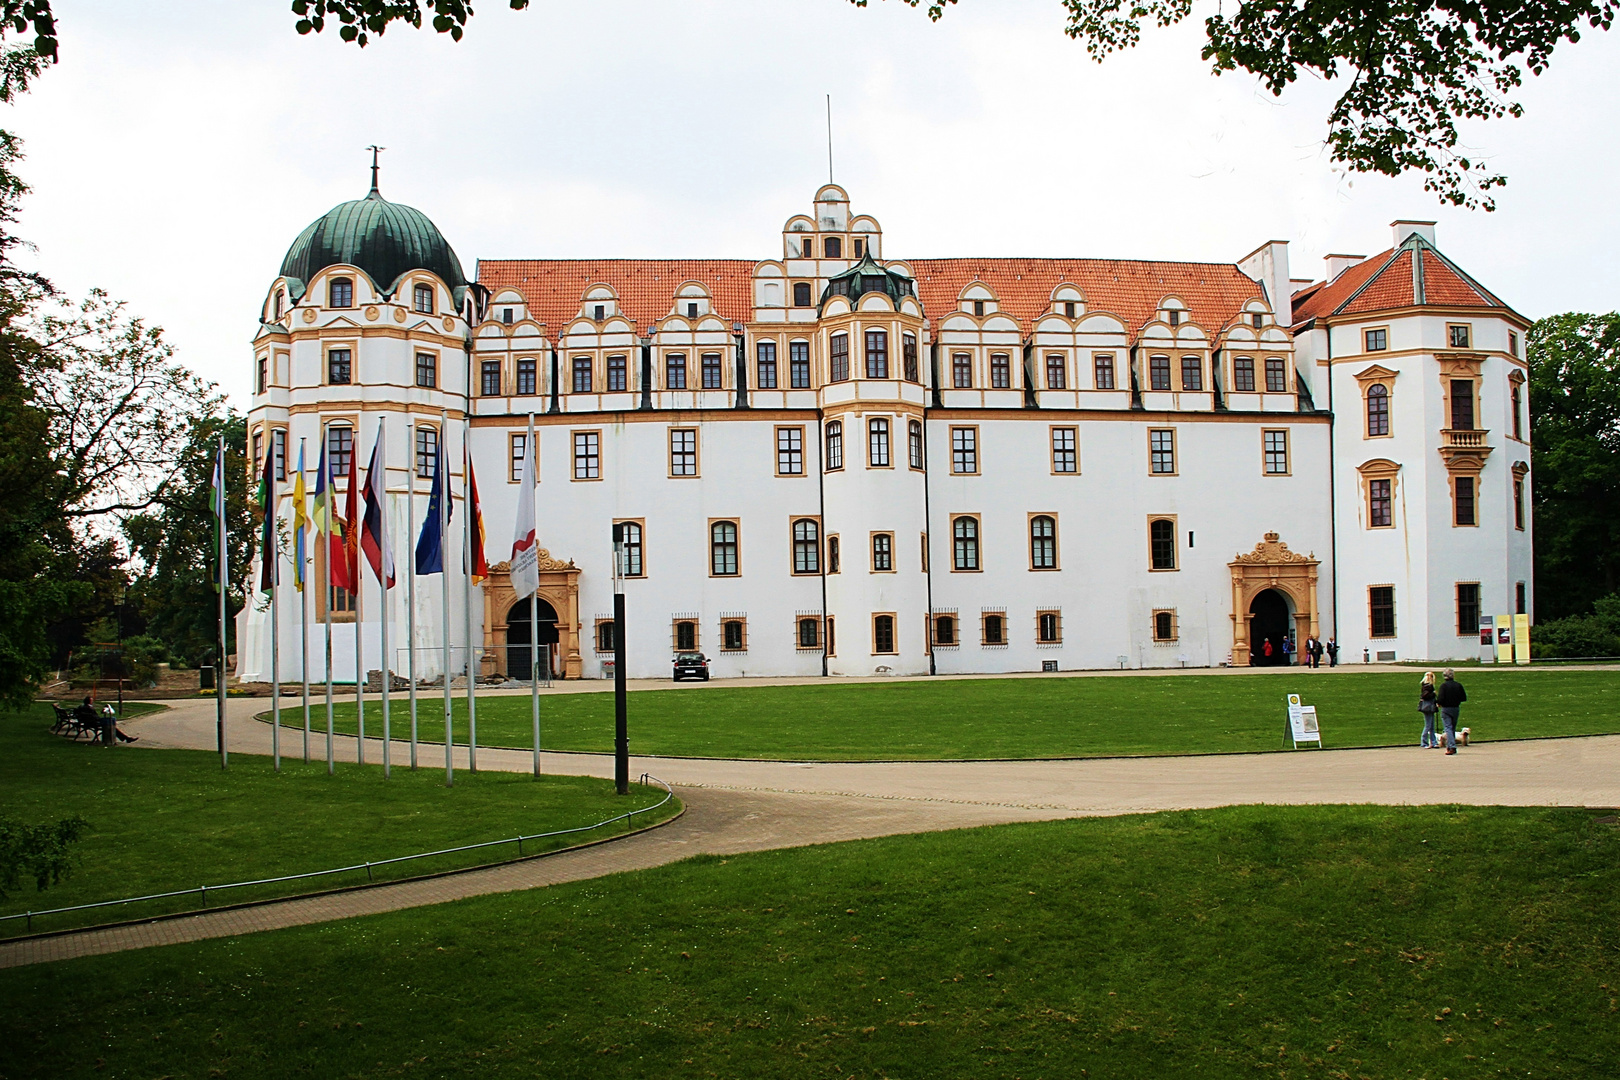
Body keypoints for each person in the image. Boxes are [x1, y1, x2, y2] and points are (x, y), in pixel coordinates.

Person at [1437, 669, 1466, 755]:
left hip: (1446, 708)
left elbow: (1440, 699)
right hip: (1456, 708)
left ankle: (1451, 746)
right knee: (1452, 727)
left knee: (1448, 727)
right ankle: (1451, 745)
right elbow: (1463, 697)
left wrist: (1438, 703)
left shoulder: (1444, 686)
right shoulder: (1458, 685)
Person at [1418, 671, 1439, 748]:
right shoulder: (1428, 686)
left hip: (1429, 706)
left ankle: (1433, 742)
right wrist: (1433, 693)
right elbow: (1425, 696)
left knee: (1431, 725)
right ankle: (1424, 742)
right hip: (1428, 707)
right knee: (1428, 725)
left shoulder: (1426, 686)